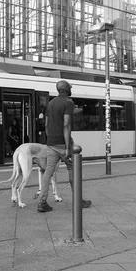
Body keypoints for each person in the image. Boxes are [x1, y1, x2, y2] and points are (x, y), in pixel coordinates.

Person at [37, 80, 92, 213]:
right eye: (70, 88)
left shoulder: (50, 103)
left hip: (51, 143)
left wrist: (50, 139)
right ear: (67, 89)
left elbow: (46, 124)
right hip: (63, 143)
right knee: (73, 168)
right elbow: (66, 125)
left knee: (48, 172)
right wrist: (67, 146)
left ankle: (42, 202)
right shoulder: (68, 103)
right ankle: (78, 201)